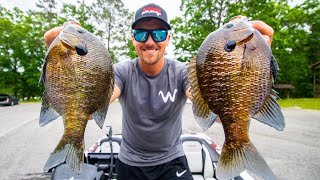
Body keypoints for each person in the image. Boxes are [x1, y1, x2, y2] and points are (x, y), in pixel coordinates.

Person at [44, 3, 274, 180]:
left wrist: (257, 60)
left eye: (159, 34)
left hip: (172, 161)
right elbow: (99, 100)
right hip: (129, 164)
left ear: (168, 39)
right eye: (142, 34)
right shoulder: (122, 71)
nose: (151, 41)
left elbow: (203, 96)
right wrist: (59, 56)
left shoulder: (182, 72)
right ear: (133, 38)